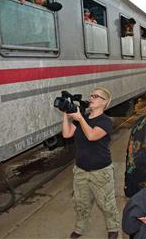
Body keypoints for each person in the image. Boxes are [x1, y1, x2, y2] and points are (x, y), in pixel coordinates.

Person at [61, 87, 119, 239]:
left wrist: (80, 119)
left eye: (96, 96)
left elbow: (92, 136)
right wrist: (66, 113)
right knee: (80, 203)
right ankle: (80, 228)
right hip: (80, 170)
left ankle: (113, 228)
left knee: (107, 204)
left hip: (101, 172)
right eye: (91, 95)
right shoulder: (84, 117)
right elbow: (67, 134)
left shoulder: (105, 121)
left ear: (105, 102)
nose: (91, 98)